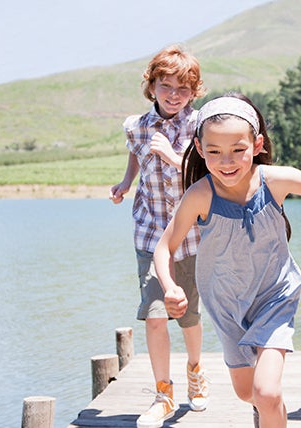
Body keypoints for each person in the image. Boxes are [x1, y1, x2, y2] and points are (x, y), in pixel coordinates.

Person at [153, 93, 301, 428]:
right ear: (200, 149)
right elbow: (164, 247)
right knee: (248, 394)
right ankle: (267, 411)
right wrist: (170, 287)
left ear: (256, 144)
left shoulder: (273, 181)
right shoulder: (200, 195)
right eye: (214, 152)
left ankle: (269, 409)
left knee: (267, 392)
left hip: (275, 296)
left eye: (238, 150)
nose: (226, 161)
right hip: (226, 303)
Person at [109, 44, 210, 428]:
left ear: (193, 91)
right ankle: (163, 394)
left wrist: (171, 154)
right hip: (150, 233)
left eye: (182, 89)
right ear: (151, 86)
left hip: (192, 236)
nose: (173, 95)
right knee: (154, 315)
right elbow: (136, 153)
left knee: (188, 315)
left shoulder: (200, 124)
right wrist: (124, 182)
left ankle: (196, 372)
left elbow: (209, 171)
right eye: (165, 86)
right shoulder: (135, 126)